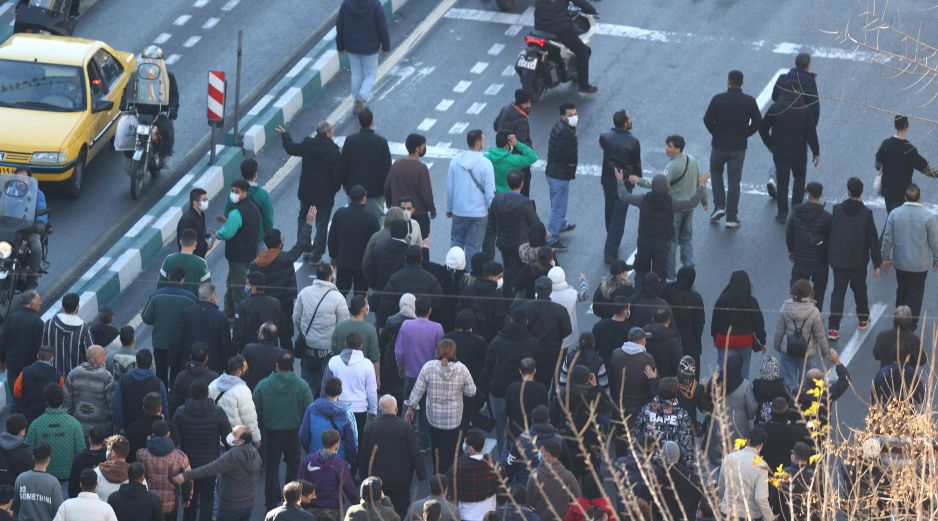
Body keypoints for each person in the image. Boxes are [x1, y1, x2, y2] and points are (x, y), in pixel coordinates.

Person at [619, 171, 709, 285]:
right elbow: (691, 203)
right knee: (660, 275)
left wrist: (620, 181)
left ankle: (639, 296)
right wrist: (701, 186)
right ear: (667, 188)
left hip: (644, 243)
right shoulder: (671, 203)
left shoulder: (643, 200)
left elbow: (624, 196)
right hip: (662, 246)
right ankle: (658, 297)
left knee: (641, 273)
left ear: (652, 187)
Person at [637, 136, 708, 279]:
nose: (666, 149)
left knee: (672, 242)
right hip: (689, 208)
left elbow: (659, 183)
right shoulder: (692, 160)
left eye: (669, 146)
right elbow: (700, 181)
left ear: (678, 149)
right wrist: (704, 200)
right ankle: (689, 270)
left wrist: (639, 181)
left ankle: (670, 275)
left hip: (674, 210)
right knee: (686, 238)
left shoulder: (671, 166)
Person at [254, 350, 315, 511]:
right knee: (294, 466)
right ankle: (291, 500)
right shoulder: (302, 386)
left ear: (276, 365)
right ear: (292, 365)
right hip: (293, 432)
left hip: (271, 432)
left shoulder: (263, 385)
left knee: (271, 468)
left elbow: (255, 409)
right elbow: (309, 409)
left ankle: (271, 504)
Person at [405, 340, 477, 475]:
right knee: (451, 449)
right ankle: (449, 476)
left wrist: (411, 408)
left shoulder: (429, 367)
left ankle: (437, 474)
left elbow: (417, 390)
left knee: (436, 448)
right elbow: (471, 391)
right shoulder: (462, 369)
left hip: (434, 418)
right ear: (454, 351)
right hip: (453, 419)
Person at [276, 121, 342, 262]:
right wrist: (332, 191)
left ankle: (305, 248)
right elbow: (337, 177)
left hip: (306, 193)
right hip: (324, 196)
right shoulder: (334, 152)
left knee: (303, 219)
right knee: (322, 224)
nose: (333, 129)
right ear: (327, 133)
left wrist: (285, 135)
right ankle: (317, 255)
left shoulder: (307, 145)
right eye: (332, 128)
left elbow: (291, 148)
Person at [704, 70, 762, 228]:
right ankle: (731, 217)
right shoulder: (749, 101)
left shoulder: (718, 99)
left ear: (728, 81)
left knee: (716, 173)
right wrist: (745, 134)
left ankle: (719, 206)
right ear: (742, 82)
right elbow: (757, 122)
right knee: (734, 180)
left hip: (719, 145)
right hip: (738, 147)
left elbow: (707, 119)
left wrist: (715, 132)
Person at [250, 209, 315, 349]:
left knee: (269, 334)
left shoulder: (256, 263)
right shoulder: (285, 258)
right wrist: (308, 223)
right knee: (285, 336)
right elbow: (301, 244)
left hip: (266, 303)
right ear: (279, 244)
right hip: (285, 303)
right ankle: (287, 362)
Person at [482, 308, 540, 461]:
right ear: (526, 322)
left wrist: (483, 388)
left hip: (500, 389)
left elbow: (488, 367)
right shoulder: (533, 343)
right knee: (523, 422)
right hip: (523, 390)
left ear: (510, 320)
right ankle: (523, 454)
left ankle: (503, 456)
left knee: (501, 423)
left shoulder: (497, 341)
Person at [827, 177, 881, 340]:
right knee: (859, 291)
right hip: (858, 262)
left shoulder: (837, 210)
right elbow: (873, 239)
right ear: (861, 192)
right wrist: (876, 264)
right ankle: (863, 319)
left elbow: (831, 233)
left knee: (838, 292)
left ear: (848, 191)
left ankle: (833, 328)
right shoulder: (866, 214)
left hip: (839, 262)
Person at [172, 425, 263, 521]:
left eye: (234, 434)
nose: (231, 435)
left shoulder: (232, 456)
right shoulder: (255, 454)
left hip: (230, 506)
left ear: (241, 441)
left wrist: (185, 475)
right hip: (248, 504)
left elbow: (209, 469)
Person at [761, 81, 821, 223]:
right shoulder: (805, 109)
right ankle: (796, 211)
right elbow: (811, 133)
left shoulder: (775, 107)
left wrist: (770, 144)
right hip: (799, 152)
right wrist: (816, 152)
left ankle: (782, 213)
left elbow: (763, 128)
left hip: (780, 151)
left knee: (782, 183)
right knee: (799, 180)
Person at [358, 396, 427, 517]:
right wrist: (422, 474)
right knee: (400, 511)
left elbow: (364, 454)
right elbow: (415, 453)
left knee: (378, 512)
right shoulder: (405, 428)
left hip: (377, 481)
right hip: (401, 480)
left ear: (380, 410)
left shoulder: (371, 428)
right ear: (396, 409)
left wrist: (364, 476)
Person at [881, 183, 938, 330]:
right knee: (916, 294)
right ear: (920, 198)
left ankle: (899, 317)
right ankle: (911, 323)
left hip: (901, 263)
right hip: (920, 265)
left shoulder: (894, 214)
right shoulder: (928, 217)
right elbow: (934, 241)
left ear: (905, 197)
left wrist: (885, 257)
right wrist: (937, 259)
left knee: (902, 289)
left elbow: (887, 238)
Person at [172, 381, 231, 521]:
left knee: (189, 500)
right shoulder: (218, 412)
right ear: (207, 393)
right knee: (207, 499)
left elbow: (174, 438)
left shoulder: (181, 412)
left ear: (191, 393)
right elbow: (228, 437)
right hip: (210, 463)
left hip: (188, 464)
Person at [294, 263, 349, 395]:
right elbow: (343, 325)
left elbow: (296, 318)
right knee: (327, 388)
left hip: (308, 347)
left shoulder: (304, 293)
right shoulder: (338, 298)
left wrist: (304, 332)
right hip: (328, 350)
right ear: (330, 276)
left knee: (307, 387)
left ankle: (307, 411)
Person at [121, 45, 179, 167]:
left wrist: (172, 109)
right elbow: (127, 91)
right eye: (147, 60)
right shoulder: (135, 75)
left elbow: (173, 95)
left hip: (158, 113)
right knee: (127, 130)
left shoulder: (168, 77)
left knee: (167, 130)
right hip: (140, 112)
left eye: (153, 61)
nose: (150, 63)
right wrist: (124, 104)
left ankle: (165, 156)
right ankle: (128, 156)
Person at [486, 171, 541, 296]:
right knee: (524, 272)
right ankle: (520, 296)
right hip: (522, 245)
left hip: (504, 243)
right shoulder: (526, 203)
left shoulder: (497, 199)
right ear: (522, 184)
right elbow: (536, 224)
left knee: (509, 270)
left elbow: (492, 222)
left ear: (508, 183)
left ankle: (507, 297)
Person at [144, 265, 197, 388]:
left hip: (160, 343)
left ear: (169, 277)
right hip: (180, 344)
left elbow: (146, 318)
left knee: (161, 372)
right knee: (177, 372)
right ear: (183, 279)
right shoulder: (191, 298)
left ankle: (162, 398)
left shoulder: (156, 296)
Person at [216, 179, 262, 318]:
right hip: (249, 252)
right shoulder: (254, 208)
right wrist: (228, 221)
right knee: (231, 282)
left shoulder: (237, 212)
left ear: (244, 193)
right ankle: (229, 311)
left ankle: (241, 315)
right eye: (232, 191)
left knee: (237, 287)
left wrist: (217, 234)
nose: (233, 194)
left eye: (237, 192)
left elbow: (227, 233)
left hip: (237, 256)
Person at [599, 110, 641, 264]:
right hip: (624, 182)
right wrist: (638, 178)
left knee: (609, 210)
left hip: (608, 180)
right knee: (619, 216)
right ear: (625, 123)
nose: (631, 120)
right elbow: (636, 163)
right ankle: (610, 251)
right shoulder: (633, 142)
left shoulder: (605, 137)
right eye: (629, 119)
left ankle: (611, 237)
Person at [322, 332, 376, 447]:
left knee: (336, 440)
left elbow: (325, 386)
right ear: (361, 346)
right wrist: (373, 409)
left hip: (337, 408)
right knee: (356, 441)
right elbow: (371, 390)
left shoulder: (333, 361)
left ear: (345, 343)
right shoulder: (368, 364)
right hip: (359, 410)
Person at [448, 130, 496, 258]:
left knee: (456, 243)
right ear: (478, 143)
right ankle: (469, 275)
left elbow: (450, 188)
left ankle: (453, 270)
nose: (484, 142)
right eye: (483, 140)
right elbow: (490, 192)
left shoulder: (455, 161)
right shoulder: (486, 164)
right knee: (473, 247)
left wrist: (449, 208)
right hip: (479, 213)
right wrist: (492, 209)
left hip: (459, 211)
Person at [876, 115, 938, 213]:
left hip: (888, 191)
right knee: (898, 221)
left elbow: (877, 164)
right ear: (907, 127)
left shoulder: (885, 144)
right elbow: (926, 169)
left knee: (891, 218)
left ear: (894, 126)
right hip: (902, 193)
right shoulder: (909, 149)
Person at [335, 0, 389, 113]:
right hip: (370, 47)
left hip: (351, 46)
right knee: (370, 74)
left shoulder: (346, 4)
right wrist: (385, 47)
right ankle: (362, 97)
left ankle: (356, 101)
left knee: (356, 73)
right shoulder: (375, 5)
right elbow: (382, 28)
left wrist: (340, 46)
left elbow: (339, 26)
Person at [704, 353, 757, 467]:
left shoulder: (715, 381)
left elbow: (707, 403)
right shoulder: (745, 385)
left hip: (718, 429)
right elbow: (752, 411)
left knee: (719, 462)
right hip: (739, 430)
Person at [532, 0, 597, 93]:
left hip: (539, 27)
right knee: (582, 51)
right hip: (559, 28)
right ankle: (584, 87)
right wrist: (592, 10)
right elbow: (581, 3)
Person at [631, 377, 695, 471]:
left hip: (648, 465)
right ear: (676, 392)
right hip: (670, 466)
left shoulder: (646, 409)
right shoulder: (681, 414)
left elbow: (635, 435)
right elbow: (686, 444)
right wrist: (690, 471)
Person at [25, 384, 85, 483]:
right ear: (62, 401)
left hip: (43, 478)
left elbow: (27, 452)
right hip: (69, 478)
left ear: (46, 401)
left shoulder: (36, 424)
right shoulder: (74, 424)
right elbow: (81, 452)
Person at [518, 277, 572, 387]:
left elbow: (519, 326)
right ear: (550, 290)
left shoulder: (525, 306)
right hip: (551, 351)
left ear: (536, 290)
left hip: (529, 350)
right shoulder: (559, 310)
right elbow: (567, 330)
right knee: (545, 381)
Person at [711, 270, 766, 377]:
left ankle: (722, 391)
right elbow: (758, 322)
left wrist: (714, 337)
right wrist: (762, 340)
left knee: (723, 370)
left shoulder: (722, 299)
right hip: (744, 340)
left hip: (724, 339)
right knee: (743, 369)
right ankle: (742, 392)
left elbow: (715, 320)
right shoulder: (751, 301)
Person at [786, 181, 831, 311]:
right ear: (821, 194)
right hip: (820, 261)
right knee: (819, 290)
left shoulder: (796, 212)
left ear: (807, 194)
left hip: (800, 260)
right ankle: (816, 313)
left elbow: (789, 233)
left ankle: (797, 311)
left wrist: (791, 250)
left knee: (797, 289)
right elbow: (830, 239)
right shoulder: (827, 217)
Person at [328, 185, 381, 294]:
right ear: (364, 198)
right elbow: (375, 242)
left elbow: (332, 238)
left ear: (350, 198)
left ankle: (340, 310)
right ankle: (357, 310)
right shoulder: (371, 217)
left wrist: (333, 256)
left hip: (343, 261)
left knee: (341, 291)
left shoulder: (340, 214)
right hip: (362, 264)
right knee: (360, 293)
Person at [296, 429, 359, 520]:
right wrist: (359, 507)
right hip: (333, 510)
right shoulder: (341, 465)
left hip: (310, 509)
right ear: (337, 444)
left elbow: (299, 483)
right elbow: (350, 490)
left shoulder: (308, 460)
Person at [341, 108, 392, 219]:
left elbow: (343, 166)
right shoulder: (381, 142)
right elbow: (387, 170)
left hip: (354, 190)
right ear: (372, 122)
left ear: (359, 122)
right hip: (376, 191)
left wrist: (346, 186)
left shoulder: (350, 141)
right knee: (377, 218)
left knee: (354, 219)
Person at [136, 421, 191, 519]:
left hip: (148, 502)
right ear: (168, 433)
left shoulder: (141, 454)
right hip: (171, 504)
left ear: (152, 434)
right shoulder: (180, 456)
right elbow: (187, 479)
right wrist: (186, 498)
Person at [717, 427, 774, 521]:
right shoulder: (762, 465)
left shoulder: (729, 458)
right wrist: (770, 517)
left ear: (747, 441)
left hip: (727, 512)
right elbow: (760, 498)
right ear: (761, 446)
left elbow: (721, 487)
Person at [386, 134, 437, 237]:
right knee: (420, 246)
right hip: (418, 216)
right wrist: (432, 210)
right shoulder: (421, 168)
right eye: (423, 146)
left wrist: (389, 204)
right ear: (417, 149)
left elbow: (387, 187)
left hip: (398, 214)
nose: (424, 148)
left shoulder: (396, 164)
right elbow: (426, 193)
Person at [545, 103, 580, 251]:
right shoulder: (566, 132)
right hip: (560, 174)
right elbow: (563, 153)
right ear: (563, 117)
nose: (574, 117)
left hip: (555, 172)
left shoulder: (560, 126)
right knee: (558, 207)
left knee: (558, 204)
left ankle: (560, 225)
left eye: (575, 114)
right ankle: (552, 238)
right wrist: (572, 163)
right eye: (570, 115)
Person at [446, 429, 502, 521]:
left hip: (465, 516)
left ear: (471, 448)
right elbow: (502, 490)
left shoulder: (458, 467)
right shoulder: (494, 466)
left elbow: (450, 492)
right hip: (489, 515)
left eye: (465, 443)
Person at [300, 377, 358, 463]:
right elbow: (352, 443)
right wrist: (349, 461)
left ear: (325, 390)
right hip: (338, 461)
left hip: (315, 458)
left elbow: (303, 436)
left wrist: (310, 451)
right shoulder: (347, 415)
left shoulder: (311, 409)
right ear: (340, 392)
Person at [179, 283, 232, 375]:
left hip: (189, 364)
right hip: (213, 366)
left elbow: (178, 338)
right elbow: (225, 345)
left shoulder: (187, 313)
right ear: (213, 298)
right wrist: (228, 368)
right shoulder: (220, 317)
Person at [209, 355, 261, 444]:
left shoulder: (213, 384)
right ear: (239, 372)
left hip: (216, 438)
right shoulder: (243, 390)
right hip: (235, 440)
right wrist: (256, 440)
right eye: (246, 367)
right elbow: (249, 419)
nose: (247, 369)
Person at [113, 350, 168, 432]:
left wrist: (120, 426)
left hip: (129, 428)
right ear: (151, 365)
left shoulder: (124, 380)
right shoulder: (158, 383)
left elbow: (117, 406)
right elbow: (165, 408)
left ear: (136, 363)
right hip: (152, 430)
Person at [64, 345, 115, 435]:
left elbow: (67, 402)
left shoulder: (73, 374)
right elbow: (112, 405)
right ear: (96, 359)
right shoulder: (106, 377)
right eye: (103, 355)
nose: (105, 358)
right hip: (101, 431)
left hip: (78, 428)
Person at [662, 266, 705, 369]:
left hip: (668, 336)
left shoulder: (667, 290)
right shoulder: (695, 298)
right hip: (689, 342)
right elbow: (699, 322)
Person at [0, 289, 44, 388]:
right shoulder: (38, 323)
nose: (40, 303)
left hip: (13, 367)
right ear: (32, 303)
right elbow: (42, 349)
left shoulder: (12, 318)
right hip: (31, 369)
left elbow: (3, 341)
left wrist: (2, 360)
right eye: (38, 300)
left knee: (15, 398)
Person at [494, 89, 534, 197]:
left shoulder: (505, 109)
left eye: (530, 101)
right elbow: (521, 143)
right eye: (526, 102)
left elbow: (495, 125)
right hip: (518, 161)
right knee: (523, 192)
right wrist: (528, 150)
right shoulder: (522, 120)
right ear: (520, 102)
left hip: (502, 153)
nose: (529, 105)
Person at [526, 439, 579, 521]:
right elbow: (578, 501)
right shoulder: (569, 476)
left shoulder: (534, 475)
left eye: (541, 452)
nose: (539, 454)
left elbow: (528, 501)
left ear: (547, 456)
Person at [457, 260, 508, 344]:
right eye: (499, 277)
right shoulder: (497, 296)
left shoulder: (468, 290)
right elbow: (500, 322)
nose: (501, 279)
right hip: (489, 340)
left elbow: (459, 312)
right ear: (491, 277)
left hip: (466, 337)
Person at [43, 292, 93, 376]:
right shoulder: (84, 329)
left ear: (63, 306)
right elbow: (90, 356)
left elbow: (42, 347)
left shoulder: (50, 323)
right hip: (74, 377)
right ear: (78, 307)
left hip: (51, 376)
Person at [232, 272, 284, 352]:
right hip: (272, 350)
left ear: (254, 287)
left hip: (250, 350)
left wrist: (234, 351)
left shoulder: (243, 305)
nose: (246, 287)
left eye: (247, 284)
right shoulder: (275, 303)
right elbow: (281, 327)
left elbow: (238, 333)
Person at [223, 159, 274, 240]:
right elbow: (268, 221)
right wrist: (263, 236)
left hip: (238, 240)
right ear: (255, 174)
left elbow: (226, 216)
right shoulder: (263, 195)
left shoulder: (232, 193)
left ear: (242, 173)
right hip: (257, 239)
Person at [331, 295, 380, 375]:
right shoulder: (370, 330)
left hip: (340, 372)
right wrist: (377, 378)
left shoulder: (339, 326)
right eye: (366, 304)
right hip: (361, 374)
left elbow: (333, 350)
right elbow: (375, 357)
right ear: (362, 309)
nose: (368, 307)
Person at [13, 345, 63, 422]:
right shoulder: (58, 377)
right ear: (52, 358)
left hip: (27, 416)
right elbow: (61, 398)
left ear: (37, 356)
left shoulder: (25, 372)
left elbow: (17, 393)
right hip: (48, 418)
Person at [12, 443, 62, 521]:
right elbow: (59, 511)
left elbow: (14, 506)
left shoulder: (21, 478)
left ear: (33, 457)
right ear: (49, 459)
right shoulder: (53, 482)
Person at [546, 266, 589, 351]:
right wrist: (583, 281)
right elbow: (584, 296)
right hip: (567, 333)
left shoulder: (542, 294)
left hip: (548, 333)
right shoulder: (572, 294)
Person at [170, 343, 219, 416]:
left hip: (185, 419)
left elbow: (174, 402)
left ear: (190, 356)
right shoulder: (214, 377)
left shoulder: (181, 376)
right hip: (209, 420)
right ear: (207, 358)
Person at [759, 398, 807, 472]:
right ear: (787, 413)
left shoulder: (760, 430)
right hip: (786, 473)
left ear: (771, 412)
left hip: (765, 471)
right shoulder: (797, 432)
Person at [125, 392, 174, 464]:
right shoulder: (170, 428)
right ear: (161, 408)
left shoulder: (133, 428)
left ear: (144, 408)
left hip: (138, 469)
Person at [159, 228, 212, 294]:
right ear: (195, 244)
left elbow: (160, 286)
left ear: (180, 241)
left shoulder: (168, 260)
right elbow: (208, 289)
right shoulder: (201, 263)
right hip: (193, 303)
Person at [485, 131, 538, 195]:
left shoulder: (486, 157)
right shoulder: (512, 160)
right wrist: (517, 143)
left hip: (491, 193)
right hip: (507, 195)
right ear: (508, 143)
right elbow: (533, 157)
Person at [366, 220, 408, 292]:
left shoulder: (378, 252)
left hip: (380, 293)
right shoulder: (409, 254)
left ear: (391, 232)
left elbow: (371, 275)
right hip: (401, 295)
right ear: (406, 233)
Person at [641, 308, 682, 378]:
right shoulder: (673, 340)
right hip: (666, 381)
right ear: (668, 321)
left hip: (646, 377)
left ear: (653, 319)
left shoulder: (643, 336)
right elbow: (677, 364)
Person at [242, 323, 283, 391]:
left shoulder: (249, 348)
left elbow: (239, 368)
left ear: (262, 336)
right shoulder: (281, 353)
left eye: (259, 332)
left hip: (250, 390)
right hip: (271, 391)